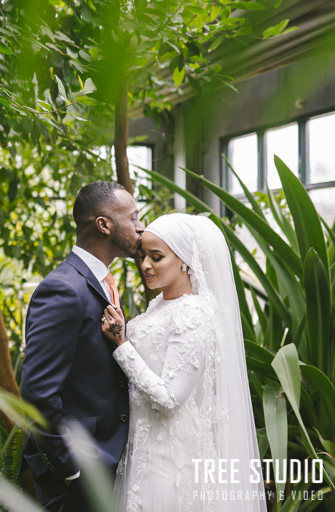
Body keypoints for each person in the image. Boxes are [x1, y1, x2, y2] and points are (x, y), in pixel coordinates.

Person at [101, 213, 266, 511]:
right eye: (143, 256)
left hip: (169, 462)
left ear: (185, 260)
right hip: (144, 450)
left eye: (157, 257)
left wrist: (122, 345)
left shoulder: (194, 313)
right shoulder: (160, 304)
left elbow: (171, 398)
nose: (145, 265)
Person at [19, 181, 144, 511]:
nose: (140, 226)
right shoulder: (63, 289)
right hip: (79, 473)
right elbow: (37, 392)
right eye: (133, 218)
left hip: (108, 462)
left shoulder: (102, 282)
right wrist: (72, 469)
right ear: (104, 225)